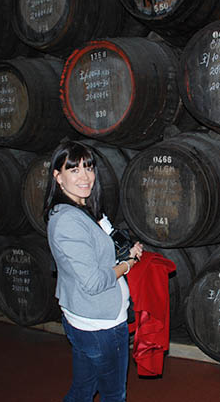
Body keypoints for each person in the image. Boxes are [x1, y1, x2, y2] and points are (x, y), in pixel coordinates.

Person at [43, 140, 143, 402]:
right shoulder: (67, 221)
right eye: (74, 170)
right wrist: (127, 265)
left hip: (87, 320)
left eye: (88, 168)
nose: (85, 177)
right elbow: (95, 281)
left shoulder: (82, 208)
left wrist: (125, 251)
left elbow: (99, 250)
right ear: (58, 176)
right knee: (114, 394)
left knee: (83, 389)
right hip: (101, 326)